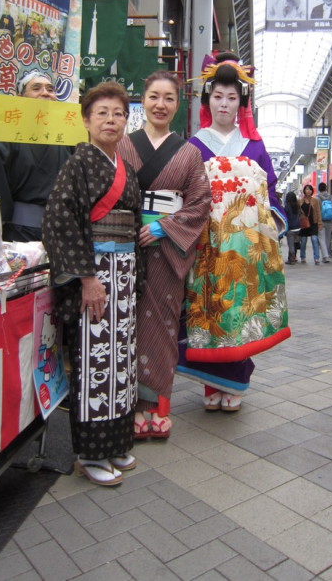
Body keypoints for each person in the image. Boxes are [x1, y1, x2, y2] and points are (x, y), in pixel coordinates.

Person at [42, 82, 142, 487]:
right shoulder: (79, 164)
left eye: (118, 113)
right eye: (101, 112)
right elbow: (59, 223)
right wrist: (86, 278)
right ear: (85, 120)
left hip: (124, 276)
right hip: (96, 276)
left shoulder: (126, 169)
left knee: (121, 361)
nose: (111, 120)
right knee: (94, 362)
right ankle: (89, 452)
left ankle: (115, 442)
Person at [177, 57, 289, 413]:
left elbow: (269, 193)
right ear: (207, 101)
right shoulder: (193, 146)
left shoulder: (254, 146)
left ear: (241, 105)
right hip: (207, 243)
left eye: (231, 98)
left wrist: (269, 228)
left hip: (245, 243)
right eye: (218, 97)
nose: (224, 104)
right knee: (209, 310)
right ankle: (211, 383)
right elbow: (184, 194)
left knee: (241, 311)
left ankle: (237, 381)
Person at [117, 70, 211, 439]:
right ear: (144, 98)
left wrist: (162, 226)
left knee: (164, 325)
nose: (160, 104)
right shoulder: (124, 144)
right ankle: (131, 405)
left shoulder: (188, 152)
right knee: (129, 324)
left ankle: (159, 406)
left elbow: (201, 202)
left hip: (167, 249)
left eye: (169, 98)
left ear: (178, 104)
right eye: (154, 96)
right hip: (128, 246)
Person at [0, 70, 72, 241]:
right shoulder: (5, 135)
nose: (45, 93)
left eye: (50, 89)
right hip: (19, 232)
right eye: (36, 88)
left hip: (62, 231)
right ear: (20, 97)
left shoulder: (69, 137)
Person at [299, 184, 323, 264]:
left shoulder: (315, 200)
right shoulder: (300, 201)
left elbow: (318, 212)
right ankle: (303, 257)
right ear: (304, 191)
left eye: (310, 189)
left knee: (314, 239)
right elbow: (298, 213)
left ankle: (316, 258)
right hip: (304, 224)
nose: (308, 191)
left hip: (313, 223)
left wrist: (320, 223)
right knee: (303, 241)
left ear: (312, 191)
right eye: (307, 189)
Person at [317, 182, 332, 262]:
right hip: (329, 221)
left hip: (321, 221)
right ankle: (327, 254)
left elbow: (318, 211)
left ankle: (325, 256)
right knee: (328, 238)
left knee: (321, 238)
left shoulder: (317, 198)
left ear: (319, 189)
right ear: (326, 188)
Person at [284, 191, 301, 264]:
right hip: (298, 227)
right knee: (295, 243)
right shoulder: (297, 206)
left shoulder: (287, 207)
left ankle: (292, 259)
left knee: (291, 245)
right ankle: (292, 258)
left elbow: (285, 217)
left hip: (290, 228)